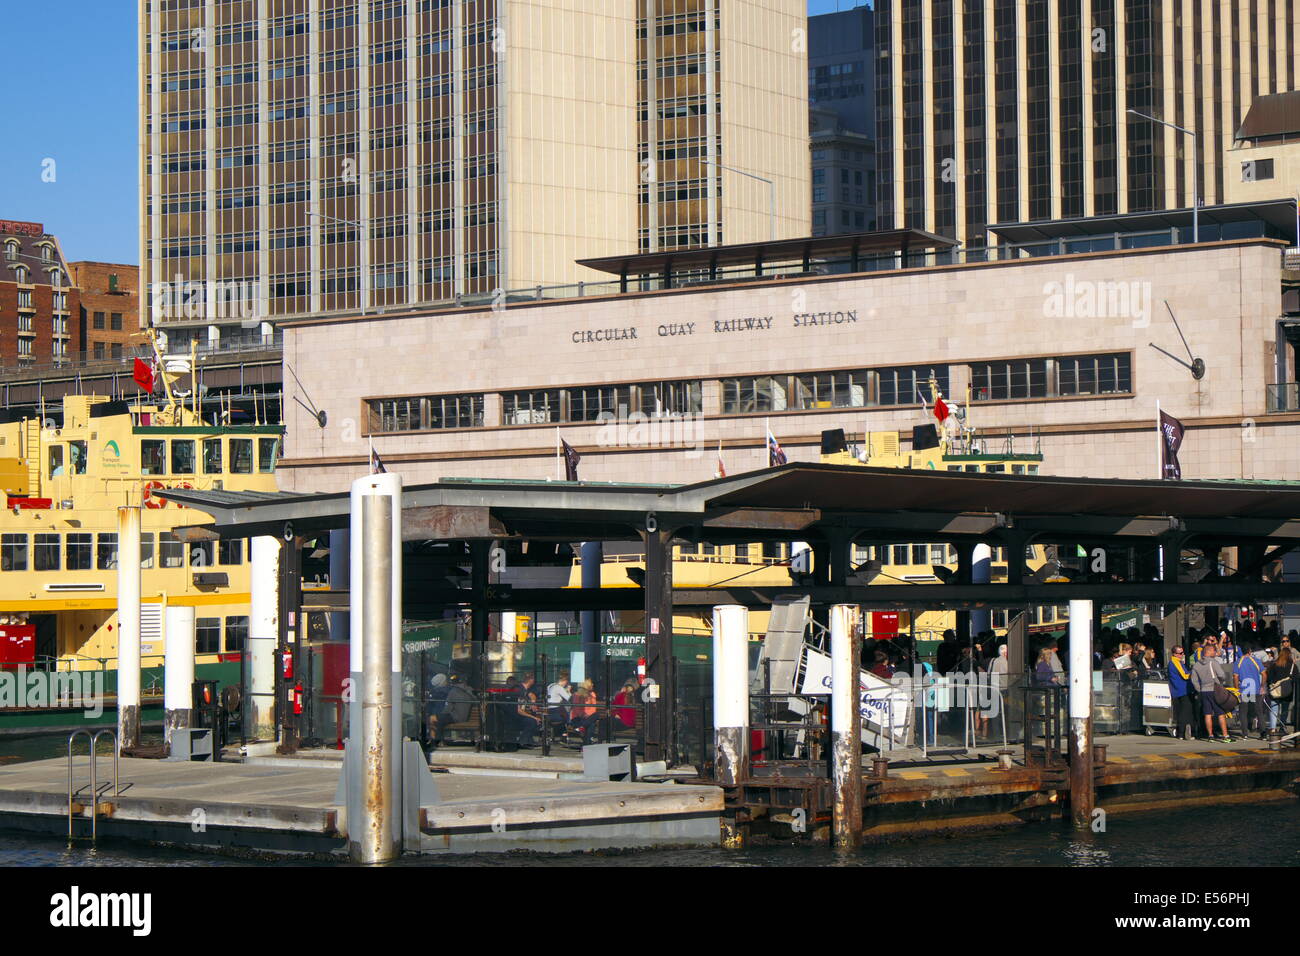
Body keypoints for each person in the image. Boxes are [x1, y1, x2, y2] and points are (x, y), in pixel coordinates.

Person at [1191, 643, 1234, 742]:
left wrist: (1199, 689)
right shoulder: (1213, 662)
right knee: (1220, 713)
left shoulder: (1196, 665)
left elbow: (1194, 680)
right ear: (1209, 651)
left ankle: (1210, 736)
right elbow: (1222, 675)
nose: (1215, 652)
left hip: (1204, 691)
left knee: (1207, 713)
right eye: (1214, 650)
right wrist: (1221, 682)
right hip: (1215, 690)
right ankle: (1225, 736)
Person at [1233, 642, 1267, 739]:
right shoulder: (1256, 660)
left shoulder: (1238, 662)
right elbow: (1264, 674)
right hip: (1255, 689)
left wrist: (1236, 689)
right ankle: (1263, 733)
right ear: (1250, 651)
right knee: (1259, 712)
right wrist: (1262, 685)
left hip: (1244, 690)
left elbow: (1235, 676)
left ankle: (1245, 734)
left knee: (1243, 712)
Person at [1266, 646, 1298, 733]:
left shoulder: (1274, 665)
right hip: (1287, 692)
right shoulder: (1293, 666)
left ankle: (1273, 728)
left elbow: (1269, 678)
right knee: (1284, 710)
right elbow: (1296, 679)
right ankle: (1282, 727)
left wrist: (1270, 686)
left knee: (1273, 710)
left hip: (1275, 692)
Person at [1167, 646, 1195, 739]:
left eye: (1183, 652)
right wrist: (1194, 672)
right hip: (1182, 690)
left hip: (1177, 690)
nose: (1182, 655)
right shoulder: (1175, 662)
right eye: (1180, 653)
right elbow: (1185, 675)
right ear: (1174, 654)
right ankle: (1181, 733)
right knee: (1185, 712)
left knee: (1181, 712)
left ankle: (1181, 733)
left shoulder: (1177, 662)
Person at [567, 679, 602, 744]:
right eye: (591, 683)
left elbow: (593, 708)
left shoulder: (592, 694)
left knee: (596, 714)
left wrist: (588, 715)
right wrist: (583, 715)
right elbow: (576, 708)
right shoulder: (576, 695)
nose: (593, 685)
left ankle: (582, 728)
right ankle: (587, 744)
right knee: (591, 724)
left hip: (588, 717)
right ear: (587, 685)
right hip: (577, 718)